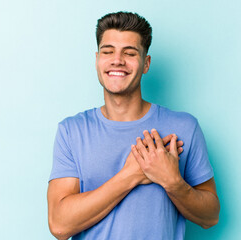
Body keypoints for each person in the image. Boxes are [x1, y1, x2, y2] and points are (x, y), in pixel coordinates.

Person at [47, 11, 220, 240]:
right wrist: (132, 175)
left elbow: (210, 217)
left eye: (129, 53)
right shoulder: (71, 131)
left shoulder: (184, 127)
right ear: (97, 59)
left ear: (146, 63)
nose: (117, 60)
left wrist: (172, 181)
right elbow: (59, 225)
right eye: (108, 52)